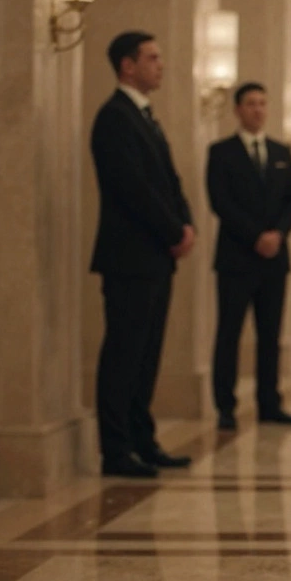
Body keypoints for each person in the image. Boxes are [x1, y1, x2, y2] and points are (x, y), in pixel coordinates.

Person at [89, 30, 196, 478]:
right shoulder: (114, 117)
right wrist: (174, 230)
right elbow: (131, 187)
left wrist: (185, 223)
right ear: (127, 66)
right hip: (129, 256)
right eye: (152, 58)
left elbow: (169, 181)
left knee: (147, 354)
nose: (161, 65)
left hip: (155, 256)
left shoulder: (145, 117)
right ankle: (116, 451)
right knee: (124, 353)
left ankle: (142, 441)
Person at [205, 82, 291, 431]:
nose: (258, 109)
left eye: (262, 103)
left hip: (275, 259)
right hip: (236, 258)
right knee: (229, 333)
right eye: (251, 103)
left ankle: (269, 402)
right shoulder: (221, 152)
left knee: (270, 335)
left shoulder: (281, 151)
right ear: (237, 109)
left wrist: (278, 234)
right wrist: (255, 236)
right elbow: (220, 202)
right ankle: (225, 406)